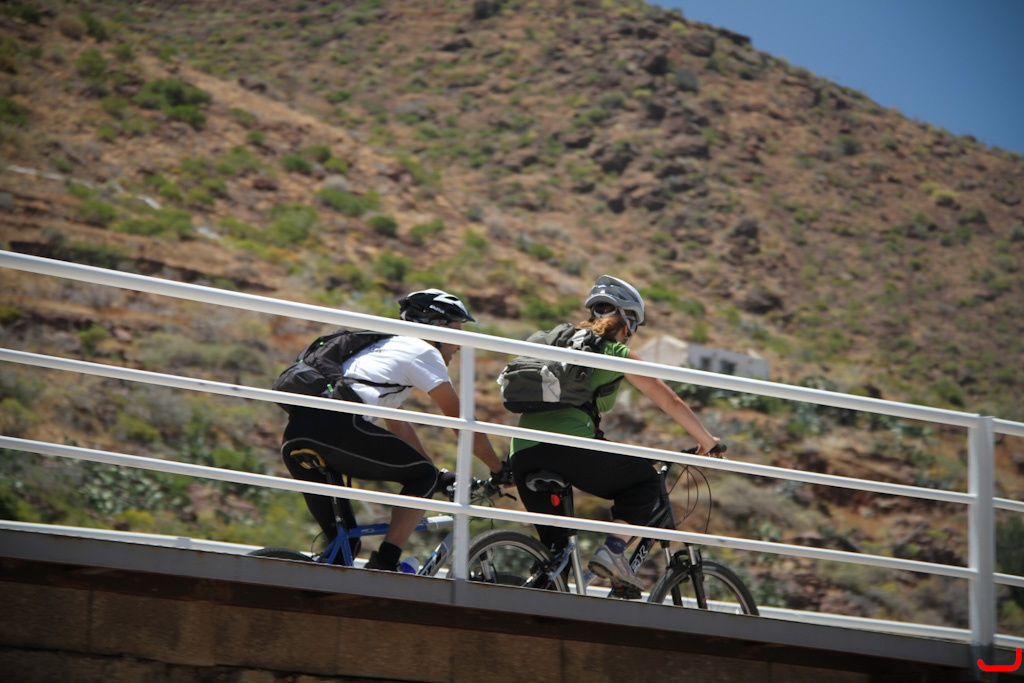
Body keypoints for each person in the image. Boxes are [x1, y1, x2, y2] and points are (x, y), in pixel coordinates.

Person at [508, 275, 721, 596]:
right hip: (568, 448)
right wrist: (708, 441)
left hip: (522, 451)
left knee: (554, 562)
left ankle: (539, 601)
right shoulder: (615, 351)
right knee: (645, 482)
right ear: (629, 324)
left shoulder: (557, 344)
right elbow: (670, 401)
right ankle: (613, 552)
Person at [281, 288, 511, 571]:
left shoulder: (383, 349)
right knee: (422, 476)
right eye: (457, 331)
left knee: (344, 549)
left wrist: (436, 474)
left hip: (297, 433)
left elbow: (398, 423)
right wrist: (499, 469)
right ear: (438, 328)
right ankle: (384, 564)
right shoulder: (423, 351)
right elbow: (461, 421)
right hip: (337, 427)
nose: (460, 344)